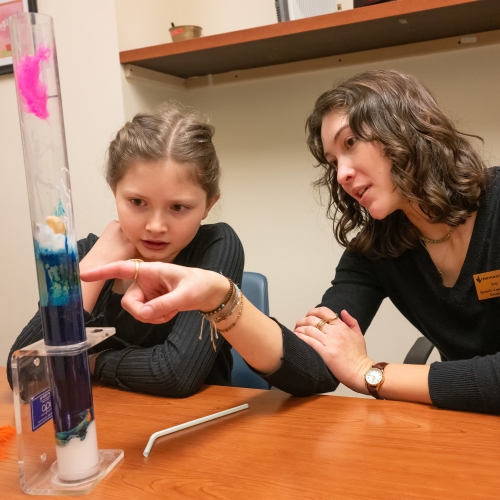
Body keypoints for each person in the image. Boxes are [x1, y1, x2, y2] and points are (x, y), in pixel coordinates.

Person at [80, 70, 500, 415]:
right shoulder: (377, 251)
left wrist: (371, 373)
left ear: (407, 129)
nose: (341, 174)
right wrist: (223, 300)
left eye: (351, 143)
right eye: (333, 161)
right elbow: (313, 368)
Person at [7, 103, 244, 397]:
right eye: (137, 202)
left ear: (208, 204)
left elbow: (175, 373)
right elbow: (27, 373)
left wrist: (89, 363)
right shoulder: (88, 253)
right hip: (108, 428)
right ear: (114, 192)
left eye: (178, 207)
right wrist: (90, 272)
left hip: (198, 428)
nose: (156, 226)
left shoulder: (215, 246)